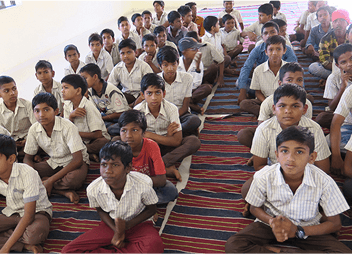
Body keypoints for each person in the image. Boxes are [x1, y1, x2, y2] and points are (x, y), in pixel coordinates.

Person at [225, 126, 352, 254]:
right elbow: (254, 208)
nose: (290, 158)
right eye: (284, 151)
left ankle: (280, 251)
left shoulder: (324, 181)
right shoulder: (264, 176)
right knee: (234, 245)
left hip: (307, 227)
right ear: (277, 155)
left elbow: (335, 224)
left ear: (311, 157)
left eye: (299, 152)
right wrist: (272, 221)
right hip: (270, 225)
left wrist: (299, 230)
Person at [61, 141, 164, 254]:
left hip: (139, 224)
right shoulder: (94, 189)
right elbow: (100, 210)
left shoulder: (143, 183)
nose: (108, 171)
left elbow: (151, 209)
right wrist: (117, 231)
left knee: (155, 247)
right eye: (104, 165)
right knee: (68, 250)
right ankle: (125, 247)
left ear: (128, 167)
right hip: (111, 225)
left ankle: (117, 247)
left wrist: (125, 227)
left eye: (115, 165)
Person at [23, 93, 90, 204]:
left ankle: (45, 184)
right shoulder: (34, 129)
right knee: (23, 173)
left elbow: (78, 160)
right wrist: (32, 177)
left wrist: (51, 180)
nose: (41, 115)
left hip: (74, 163)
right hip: (54, 162)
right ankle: (62, 191)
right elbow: (27, 158)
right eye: (37, 111)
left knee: (74, 180)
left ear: (56, 111)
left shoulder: (68, 126)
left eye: (46, 110)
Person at [134, 73, 201, 181]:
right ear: (142, 95)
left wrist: (150, 135)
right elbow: (137, 140)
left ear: (164, 93)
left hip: (166, 147)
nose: (154, 98)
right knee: (119, 140)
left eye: (158, 93)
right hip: (148, 147)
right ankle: (165, 165)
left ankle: (158, 164)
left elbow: (177, 141)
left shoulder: (171, 109)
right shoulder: (138, 111)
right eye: (149, 93)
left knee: (194, 141)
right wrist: (168, 138)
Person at [237, 62, 313, 149]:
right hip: (272, 134)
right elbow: (261, 129)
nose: (294, 83)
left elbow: (306, 130)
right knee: (244, 135)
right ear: (280, 83)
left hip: (296, 136)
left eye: (299, 80)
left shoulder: (307, 104)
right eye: (289, 80)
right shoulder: (268, 102)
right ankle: (267, 152)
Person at [0, 134, 52, 254]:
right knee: (27, 233)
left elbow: (29, 216)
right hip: (12, 213)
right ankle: (23, 245)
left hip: (37, 212)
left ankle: (12, 238)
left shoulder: (27, 173)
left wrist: (5, 248)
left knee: (34, 233)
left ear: (11, 159)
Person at [118, 110, 178, 204]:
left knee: (170, 191)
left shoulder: (151, 146)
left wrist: (135, 183)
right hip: (127, 188)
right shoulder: (118, 150)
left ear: (144, 133)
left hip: (147, 184)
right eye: (124, 130)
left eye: (134, 130)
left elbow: (161, 180)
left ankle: (137, 203)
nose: (128, 136)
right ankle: (143, 203)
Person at [236, 21, 297, 105]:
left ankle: (269, 104)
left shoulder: (287, 49)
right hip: (263, 85)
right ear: (262, 37)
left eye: (272, 32)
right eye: (266, 33)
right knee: (240, 82)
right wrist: (242, 92)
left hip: (281, 83)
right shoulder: (257, 49)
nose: (269, 35)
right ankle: (270, 104)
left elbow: (295, 69)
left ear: (278, 33)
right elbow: (246, 67)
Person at [61, 74, 110, 162]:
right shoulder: (67, 105)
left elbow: (98, 134)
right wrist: (71, 116)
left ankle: (82, 151)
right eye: (62, 88)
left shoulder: (88, 106)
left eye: (66, 88)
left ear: (78, 90)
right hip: (79, 140)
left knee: (103, 143)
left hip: (93, 140)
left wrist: (75, 133)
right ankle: (86, 153)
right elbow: (66, 129)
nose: (62, 91)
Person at [157, 46, 201, 134]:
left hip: (181, 114)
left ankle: (168, 133)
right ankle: (178, 133)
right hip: (162, 116)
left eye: (173, 64)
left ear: (178, 63)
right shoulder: (155, 80)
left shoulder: (187, 78)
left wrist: (174, 120)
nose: (170, 68)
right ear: (160, 66)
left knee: (194, 120)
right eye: (165, 65)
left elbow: (185, 107)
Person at [240, 35, 287, 117]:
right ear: (266, 52)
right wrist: (266, 103)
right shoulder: (258, 70)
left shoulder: (290, 69)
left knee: (307, 99)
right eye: (271, 50)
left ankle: (268, 115)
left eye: (278, 49)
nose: (274, 53)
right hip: (265, 100)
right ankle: (274, 114)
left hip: (286, 102)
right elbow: (257, 92)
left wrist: (281, 104)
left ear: (284, 51)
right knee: (244, 104)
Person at [79, 64, 130, 130]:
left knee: (113, 128)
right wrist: (85, 97)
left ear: (95, 77)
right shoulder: (89, 91)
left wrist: (102, 119)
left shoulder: (111, 91)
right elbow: (94, 111)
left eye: (85, 78)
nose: (83, 82)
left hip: (120, 119)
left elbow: (121, 113)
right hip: (105, 118)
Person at [315, 43, 352, 129]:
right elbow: (331, 107)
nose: (349, 64)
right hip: (346, 122)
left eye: (351, 59)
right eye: (343, 62)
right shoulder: (333, 79)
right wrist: (343, 87)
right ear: (338, 66)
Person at [108, 39, 153, 106]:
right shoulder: (117, 68)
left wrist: (135, 103)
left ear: (136, 52)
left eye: (129, 52)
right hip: (125, 97)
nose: (125, 56)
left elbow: (150, 87)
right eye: (122, 53)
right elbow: (109, 86)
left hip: (142, 97)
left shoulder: (144, 66)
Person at [0, 76, 36, 160]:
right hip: (11, 143)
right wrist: (13, 143)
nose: (12, 93)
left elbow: (36, 126)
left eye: (14, 89)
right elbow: (1, 134)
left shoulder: (27, 105)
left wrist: (28, 139)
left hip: (30, 140)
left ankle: (24, 156)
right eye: (6, 91)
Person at [309, 9, 350, 79]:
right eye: (335, 21)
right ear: (332, 23)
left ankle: (335, 78)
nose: (338, 23)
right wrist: (342, 69)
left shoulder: (350, 36)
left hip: (350, 66)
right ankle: (341, 77)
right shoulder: (325, 39)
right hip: (333, 68)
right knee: (313, 67)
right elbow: (325, 62)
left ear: (347, 23)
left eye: (342, 20)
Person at [178, 37, 212, 114]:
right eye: (194, 49)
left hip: (191, 91)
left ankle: (187, 104)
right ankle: (191, 105)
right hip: (179, 92)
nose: (197, 51)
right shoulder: (176, 64)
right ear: (184, 52)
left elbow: (197, 84)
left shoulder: (198, 63)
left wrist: (197, 67)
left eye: (198, 49)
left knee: (207, 88)